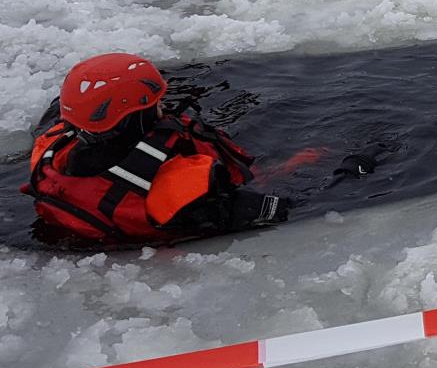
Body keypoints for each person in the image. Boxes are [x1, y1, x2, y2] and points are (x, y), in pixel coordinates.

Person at [24, 53, 289, 247]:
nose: (161, 107)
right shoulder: (176, 188)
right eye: (155, 103)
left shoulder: (48, 151)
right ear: (138, 116)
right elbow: (273, 207)